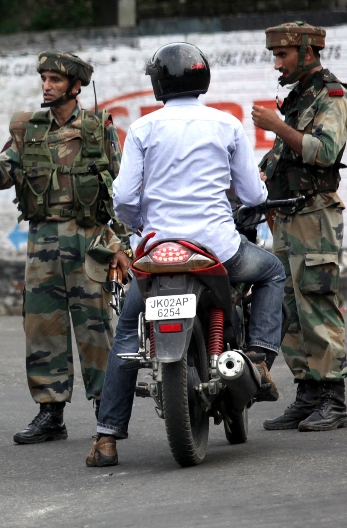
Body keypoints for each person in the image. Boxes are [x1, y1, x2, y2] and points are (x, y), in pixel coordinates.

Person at [86, 42, 286, 467]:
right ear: (202, 78)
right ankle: (258, 360)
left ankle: (106, 439)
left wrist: (141, 224)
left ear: (160, 82)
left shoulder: (143, 129)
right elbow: (252, 193)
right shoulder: (226, 124)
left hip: (157, 252)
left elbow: (123, 198)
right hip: (217, 248)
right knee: (271, 273)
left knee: (126, 338)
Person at [0, 50, 131, 444]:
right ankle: (50, 413)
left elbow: (119, 189)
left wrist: (122, 244)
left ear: (75, 86)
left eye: (55, 81)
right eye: (44, 80)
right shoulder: (29, 129)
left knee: (95, 328)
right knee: (42, 327)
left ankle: (107, 413)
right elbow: (3, 175)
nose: (47, 86)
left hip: (89, 242)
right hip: (42, 242)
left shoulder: (97, 127)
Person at [253, 22, 347, 432]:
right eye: (274, 55)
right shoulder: (299, 99)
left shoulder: (334, 96)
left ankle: (333, 399)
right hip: (289, 216)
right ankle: (308, 394)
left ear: (308, 51)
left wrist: (276, 126)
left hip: (315, 215)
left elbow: (324, 151)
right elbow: (281, 158)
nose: (277, 63)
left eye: (283, 55)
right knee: (287, 309)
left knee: (317, 303)